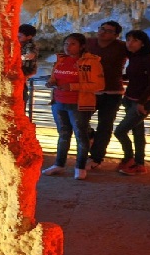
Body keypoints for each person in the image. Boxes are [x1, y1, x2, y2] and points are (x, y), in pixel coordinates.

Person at [41, 33, 105, 180]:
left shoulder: (91, 62)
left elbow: (99, 85)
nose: (68, 47)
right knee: (63, 134)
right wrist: (51, 82)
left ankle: (80, 166)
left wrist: (72, 86)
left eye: (72, 44)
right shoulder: (61, 60)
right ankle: (59, 164)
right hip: (59, 102)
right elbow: (55, 76)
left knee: (81, 135)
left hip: (79, 104)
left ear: (82, 46)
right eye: (66, 44)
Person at [114, 29, 150, 175]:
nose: (130, 43)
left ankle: (129, 158)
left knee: (120, 131)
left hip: (143, 102)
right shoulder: (134, 57)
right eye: (128, 40)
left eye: (134, 40)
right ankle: (139, 164)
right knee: (138, 132)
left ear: (143, 43)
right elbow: (133, 76)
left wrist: (141, 102)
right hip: (129, 99)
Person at [83, 21, 128, 169]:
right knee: (80, 121)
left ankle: (96, 157)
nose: (103, 32)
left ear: (116, 35)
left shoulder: (122, 47)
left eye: (108, 31)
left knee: (105, 125)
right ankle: (92, 137)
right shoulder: (88, 43)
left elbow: (137, 59)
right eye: (101, 29)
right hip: (90, 90)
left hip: (112, 92)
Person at [19, 24, 39, 112]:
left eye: (20, 35)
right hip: (24, 70)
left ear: (29, 37)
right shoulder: (22, 44)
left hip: (26, 69)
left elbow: (30, 55)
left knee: (21, 91)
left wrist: (17, 57)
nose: (18, 36)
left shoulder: (30, 45)